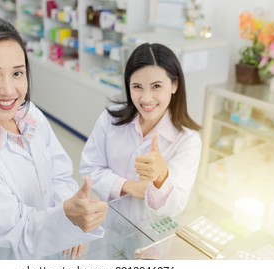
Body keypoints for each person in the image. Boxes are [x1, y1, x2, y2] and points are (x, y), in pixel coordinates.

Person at [0, 16, 108, 260]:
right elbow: (17, 234)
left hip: (51, 252)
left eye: (17, 73)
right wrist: (66, 218)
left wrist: (73, 220)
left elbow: (58, 175)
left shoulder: (30, 114)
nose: (9, 90)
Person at [79, 43, 202, 218]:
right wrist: (127, 186)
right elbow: (89, 169)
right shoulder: (110, 119)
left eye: (156, 86)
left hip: (152, 234)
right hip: (109, 221)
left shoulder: (188, 140)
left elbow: (176, 206)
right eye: (137, 87)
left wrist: (161, 176)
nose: (146, 98)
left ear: (174, 85)